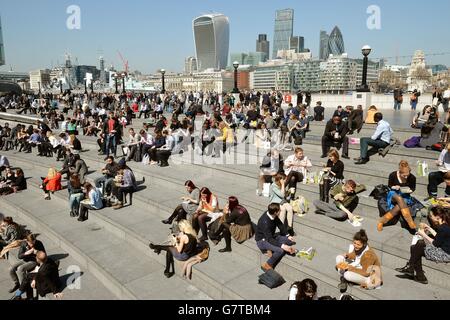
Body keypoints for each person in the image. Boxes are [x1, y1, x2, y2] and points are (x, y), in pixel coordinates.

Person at [396, 206, 450, 285]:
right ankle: (419, 276)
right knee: (417, 247)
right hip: (444, 250)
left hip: (444, 254)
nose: (430, 218)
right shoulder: (445, 225)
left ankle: (411, 267)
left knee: (417, 247)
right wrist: (429, 228)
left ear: (438, 217)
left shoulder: (443, 228)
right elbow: (440, 237)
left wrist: (423, 234)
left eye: (431, 216)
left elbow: (435, 243)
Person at [377, 161, 419, 232]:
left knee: (398, 206)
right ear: (400, 172)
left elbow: (413, 188)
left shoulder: (412, 177)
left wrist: (410, 190)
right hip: (393, 194)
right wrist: (394, 186)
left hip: (405, 195)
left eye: (407, 175)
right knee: (399, 198)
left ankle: (382, 221)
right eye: (404, 175)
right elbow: (389, 185)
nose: (406, 177)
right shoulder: (393, 175)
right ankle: (410, 221)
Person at [255, 203, 297, 271]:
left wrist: (288, 235)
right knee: (280, 251)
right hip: (262, 241)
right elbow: (270, 239)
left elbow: (280, 225)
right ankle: (267, 265)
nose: (281, 211)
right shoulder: (265, 222)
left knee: (289, 241)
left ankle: (273, 249)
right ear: (275, 212)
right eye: (280, 210)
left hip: (271, 236)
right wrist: (283, 246)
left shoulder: (272, 214)